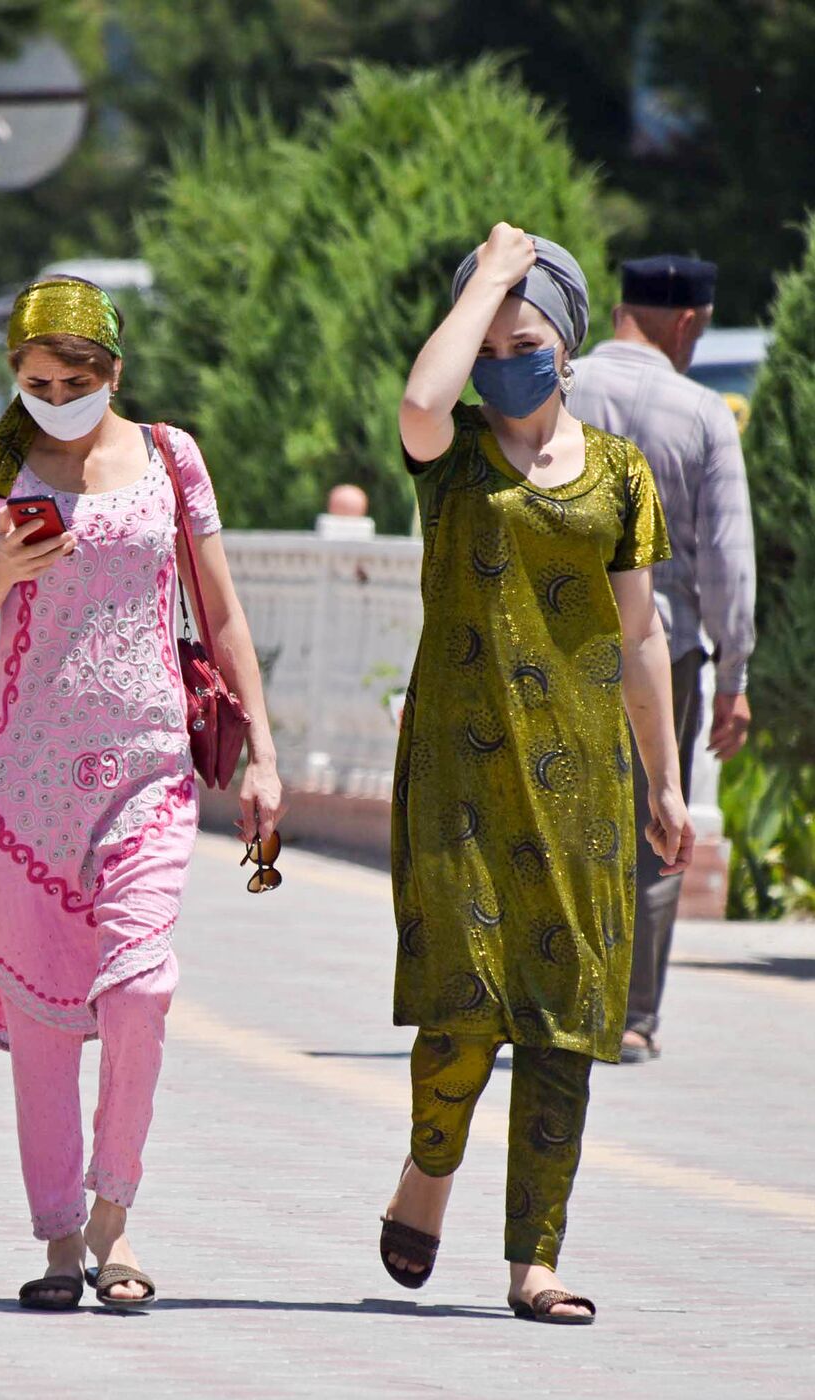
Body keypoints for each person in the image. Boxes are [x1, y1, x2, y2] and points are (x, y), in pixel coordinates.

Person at [0, 276, 284, 1310]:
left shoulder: (171, 459)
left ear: (113, 372)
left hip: (147, 769)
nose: (53, 396)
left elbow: (221, 616)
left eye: (74, 378)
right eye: (34, 380)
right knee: (46, 1014)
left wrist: (261, 753)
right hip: (25, 782)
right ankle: (54, 1242)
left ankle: (112, 1218)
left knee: (137, 985)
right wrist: (1, 566)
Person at [382, 225, 694, 1323]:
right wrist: (483, 284)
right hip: (459, 783)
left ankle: (534, 1258)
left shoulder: (618, 473)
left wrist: (662, 778)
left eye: (525, 338)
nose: (501, 359)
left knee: (562, 1021)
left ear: (564, 345)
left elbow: (639, 636)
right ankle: (428, 1168)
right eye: (488, 341)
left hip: (580, 797)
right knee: (463, 1010)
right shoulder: (452, 452)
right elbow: (417, 402)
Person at [569, 255, 757, 1064]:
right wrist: (734, 674)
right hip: (666, 644)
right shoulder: (703, 412)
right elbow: (727, 557)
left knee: (561, 813)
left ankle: (558, 995)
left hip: (556, 639)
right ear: (688, 323)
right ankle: (635, 1016)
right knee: (659, 818)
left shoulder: (560, 385)